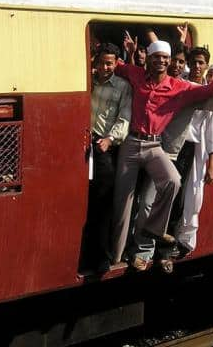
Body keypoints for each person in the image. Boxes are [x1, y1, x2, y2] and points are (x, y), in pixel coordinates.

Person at [106, 37, 213, 270]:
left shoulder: (179, 87)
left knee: (173, 181)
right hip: (131, 143)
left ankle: (155, 230)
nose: (161, 61)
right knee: (124, 203)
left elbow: (212, 90)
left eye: (165, 58)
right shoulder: (136, 74)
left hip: (155, 146)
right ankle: (116, 256)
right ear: (149, 60)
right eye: (157, 58)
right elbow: (113, 65)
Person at [175, 63, 213, 257]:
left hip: (201, 155)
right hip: (185, 147)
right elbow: (185, 67)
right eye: (211, 75)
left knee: (193, 195)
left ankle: (186, 240)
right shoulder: (196, 90)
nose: (212, 79)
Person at [82, 43, 132, 272]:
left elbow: (124, 118)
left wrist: (110, 140)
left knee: (102, 205)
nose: (105, 67)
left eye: (109, 63)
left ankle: (101, 258)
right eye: (101, 62)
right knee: (86, 202)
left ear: (116, 63)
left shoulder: (122, 87)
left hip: (104, 148)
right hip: (85, 145)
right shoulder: (88, 81)